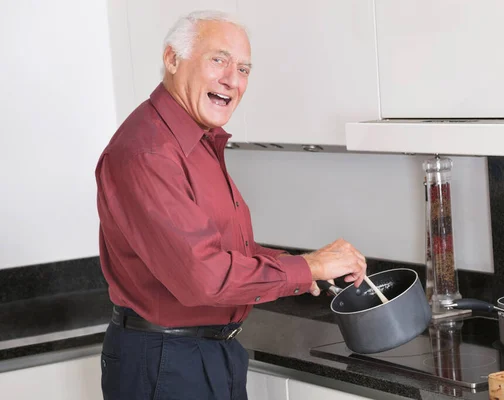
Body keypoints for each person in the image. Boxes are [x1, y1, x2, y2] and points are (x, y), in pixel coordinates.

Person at [95, 10, 367, 400]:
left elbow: (224, 251)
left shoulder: (198, 142)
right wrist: (308, 266)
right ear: (172, 59)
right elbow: (205, 276)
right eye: (218, 60)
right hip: (164, 362)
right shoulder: (147, 152)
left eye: (243, 68)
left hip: (206, 353)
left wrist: (304, 268)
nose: (232, 79)